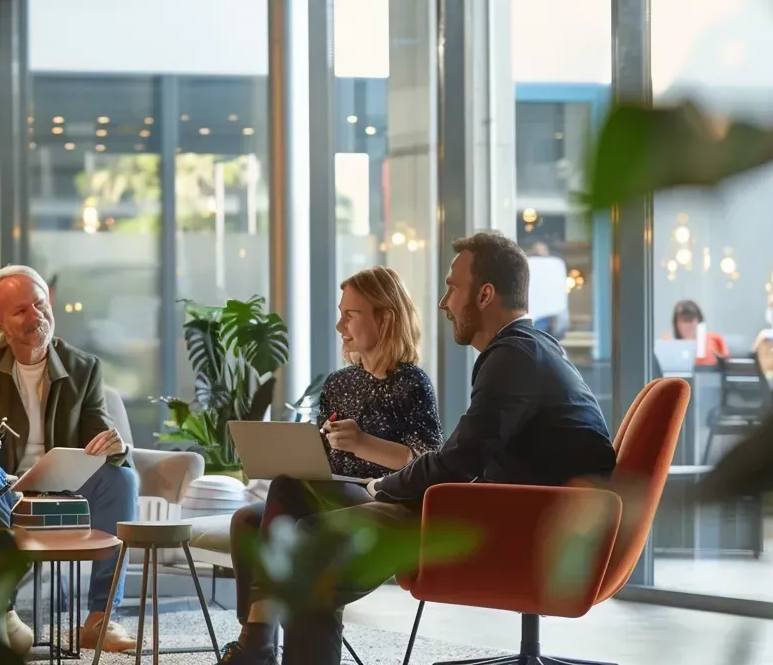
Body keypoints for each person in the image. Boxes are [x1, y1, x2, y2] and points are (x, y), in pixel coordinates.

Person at [219, 231, 615, 665]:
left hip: (530, 526)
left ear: (485, 295)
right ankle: (258, 644)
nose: (444, 302)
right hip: (523, 512)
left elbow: (458, 460)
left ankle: (260, 647)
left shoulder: (514, 357)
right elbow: (470, 457)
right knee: (290, 508)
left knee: (315, 544)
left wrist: (382, 486)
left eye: (452, 287)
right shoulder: (529, 350)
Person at [0, 265, 139, 653]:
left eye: (39, 304)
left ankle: (100, 618)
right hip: (0, 483)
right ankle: (2, 610)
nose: (36, 317)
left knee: (122, 479)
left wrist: (117, 448)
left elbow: (104, 441)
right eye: (21, 311)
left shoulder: (84, 367)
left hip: (61, 484)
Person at [225, 267, 441, 631]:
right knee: (246, 520)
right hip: (332, 492)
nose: (341, 326)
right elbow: (324, 458)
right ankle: (255, 631)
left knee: (288, 489)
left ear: (385, 319)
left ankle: (256, 638)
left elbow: (427, 460)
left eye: (350, 315)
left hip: (381, 501)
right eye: (341, 315)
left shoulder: (411, 382)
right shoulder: (339, 383)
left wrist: (363, 444)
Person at [663, 299, 729, 366]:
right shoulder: (668, 345)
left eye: (691, 320)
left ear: (699, 321)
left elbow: (726, 367)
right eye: (684, 321)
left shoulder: (716, 340)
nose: (688, 326)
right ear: (676, 324)